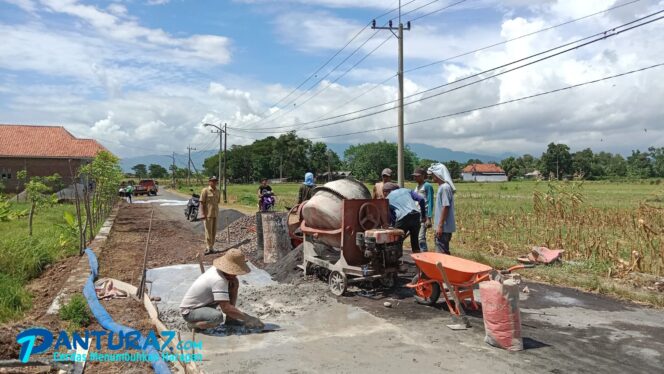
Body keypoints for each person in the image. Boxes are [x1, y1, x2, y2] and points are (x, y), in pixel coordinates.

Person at [180, 249, 264, 332]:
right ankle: (193, 325)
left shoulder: (221, 273)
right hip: (190, 311)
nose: (235, 274)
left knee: (234, 283)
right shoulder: (218, 280)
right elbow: (225, 308)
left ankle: (230, 320)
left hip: (206, 304)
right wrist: (248, 318)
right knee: (217, 317)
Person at [383, 182, 427, 253]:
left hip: (402, 218)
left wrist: (393, 227)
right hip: (416, 215)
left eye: (384, 192)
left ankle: (396, 260)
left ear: (386, 191)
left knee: (397, 242)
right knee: (415, 242)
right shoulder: (406, 190)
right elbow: (421, 199)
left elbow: (392, 217)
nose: (383, 194)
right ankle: (418, 261)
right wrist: (423, 216)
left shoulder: (387, 199)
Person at [428, 163, 456, 254]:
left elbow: (445, 206)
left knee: (441, 253)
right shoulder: (443, 187)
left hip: (443, 228)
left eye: (432, 174)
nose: (431, 176)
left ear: (437, 174)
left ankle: (444, 268)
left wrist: (440, 226)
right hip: (443, 228)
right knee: (444, 251)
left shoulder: (444, 187)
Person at [412, 168, 434, 251]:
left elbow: (430, 202)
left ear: (423, 176)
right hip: (416, 214)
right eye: (414, 176)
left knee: (421, 238)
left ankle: (425, 255)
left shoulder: (427, 186)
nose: (415, 178)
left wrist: (429, 218)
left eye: (417, 176)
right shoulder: (417, 187)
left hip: (423, 215)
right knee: (416, 237)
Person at [200, 176, 221, 255]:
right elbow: (202, 203)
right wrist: (202, 213)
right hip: (207, 214)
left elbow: (217, 202)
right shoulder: (205, 190)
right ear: (209, 182)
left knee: (214, 231)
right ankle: (209, 247)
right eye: (212, 181)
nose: (214, 182)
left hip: (215, 214)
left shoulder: (218, 191)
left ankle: (212, 246)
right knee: (208, 231)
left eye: (215, 181)